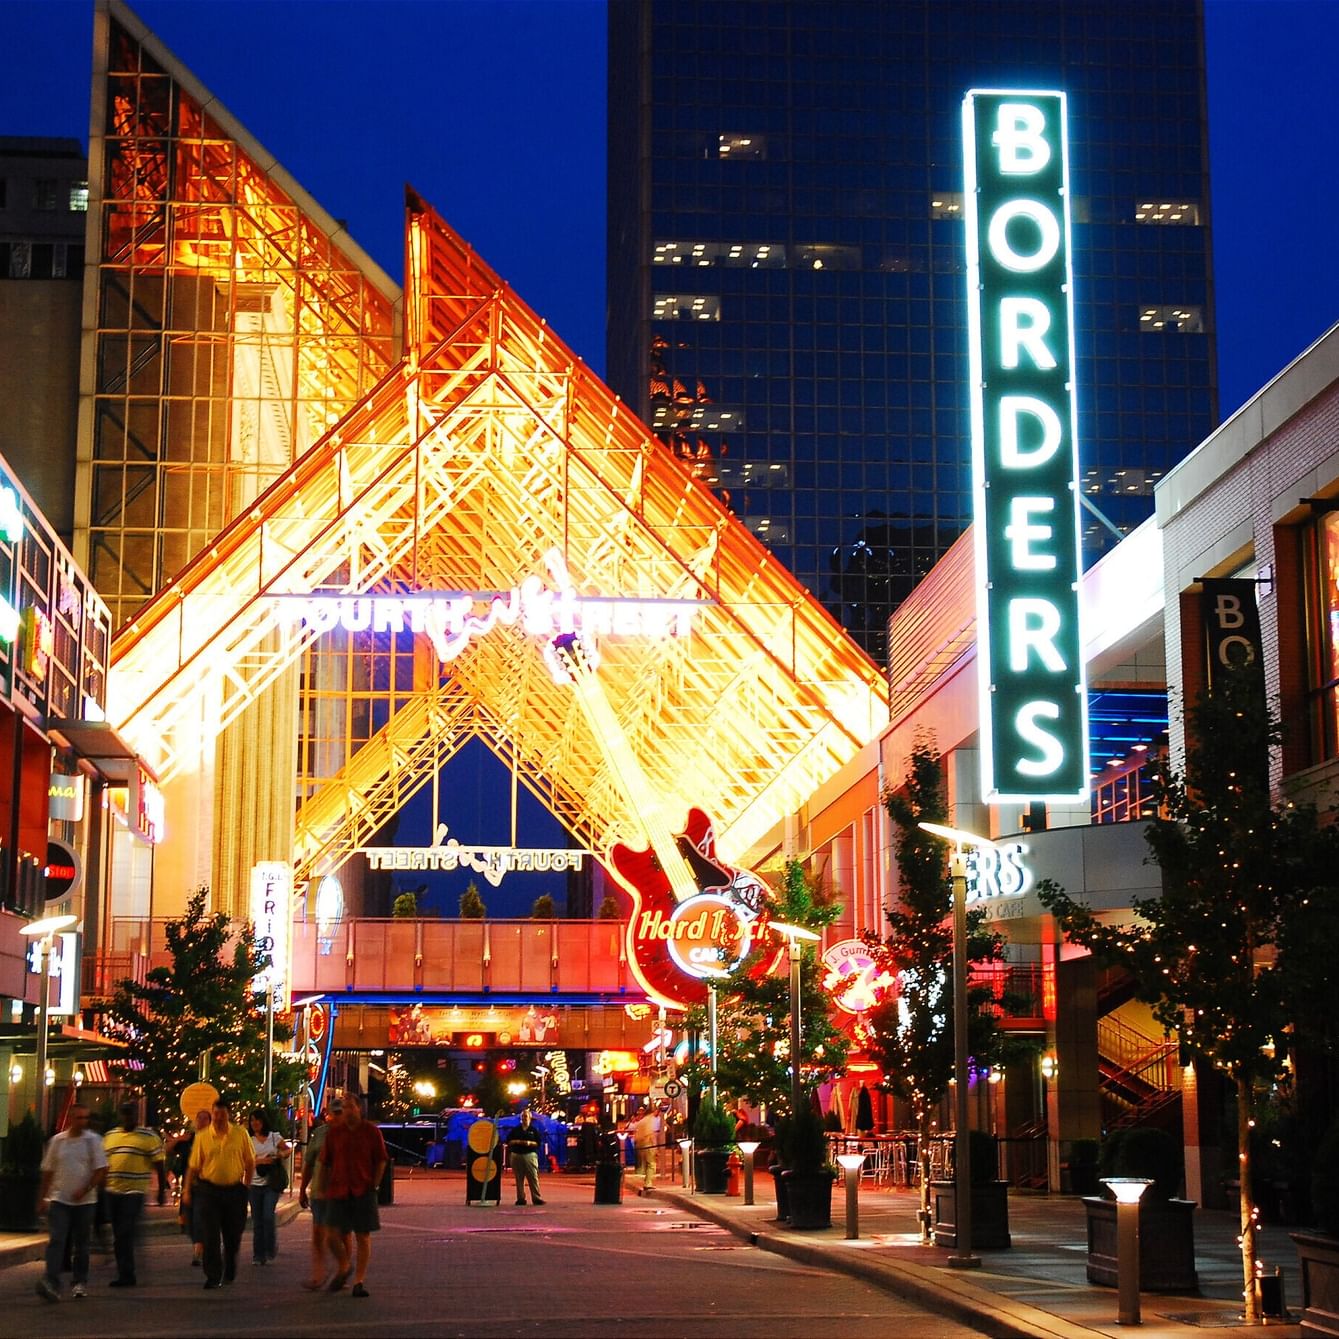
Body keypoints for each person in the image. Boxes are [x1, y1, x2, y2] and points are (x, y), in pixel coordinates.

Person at [35, 1102, 108, 1302]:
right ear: (71, 1118)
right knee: (57, 1239)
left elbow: (100, 1169)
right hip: (60, 1199)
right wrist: (42, 1197)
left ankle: (79, 1281)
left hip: (85, 1202)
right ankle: (51, 1281)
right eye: (79, 1118)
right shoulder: (58, 1141)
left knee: (82, 1243)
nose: (83, 1122)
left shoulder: (93, 1141)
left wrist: (85, 1189)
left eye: (86, 1118)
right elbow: (48, 1171)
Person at [184, 1097, 255, 1290]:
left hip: (234, 1191)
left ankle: (230, 1265)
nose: (218, 1118)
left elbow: (249, 1161)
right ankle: (213, 1275)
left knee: (233, 1236)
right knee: (210, 1235)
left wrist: (246, 1186)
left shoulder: (240, 1134)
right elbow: (193, 1166)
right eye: (215, 1114)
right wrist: (187, 1190)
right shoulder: (203, 1136)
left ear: (228, 1115)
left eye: (222, 1115)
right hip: (209, 1190)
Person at [320, 1093, 386, 1298]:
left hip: (362, 1189)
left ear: (359, 1108)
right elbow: (325, 1162)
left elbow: (381, 1159)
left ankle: (359, 1280)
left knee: (362, 1236)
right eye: (344, 1108)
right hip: (338, 1188)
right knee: (331, 1235)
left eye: (350, 1107)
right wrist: (322, 1188)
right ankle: (344, 1264)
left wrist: (374, 1184)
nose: (347, 1111)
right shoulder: (334, 1134)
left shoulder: (371, 1132)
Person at [102, 1100, 167, 1288]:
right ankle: (124, 1270)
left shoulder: (148, 1137)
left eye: (131, 1113)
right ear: (120, 1115)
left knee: (125, 1231)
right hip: (113, 1190)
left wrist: (161, 1191)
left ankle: (127, 1273)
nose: (127, 1117)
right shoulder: (110, 1136)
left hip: (135, 1191)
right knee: (119, 1233)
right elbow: (102, 1163)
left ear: (136, 1115)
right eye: (124, 1113)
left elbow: (159, 1165)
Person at [298, 1097, 344, 1291]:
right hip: (319, 1190)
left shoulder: (350, 1134)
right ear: (328, 1115)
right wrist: (302, 1189)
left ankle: (344, 1270)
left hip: (341, 1191)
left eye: (341, 1113)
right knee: (318, 1234)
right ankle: (319, 1275)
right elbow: (309, 1163)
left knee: (341, 1234)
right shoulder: (319, 1134)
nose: (338, 1117)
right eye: (335, 1113)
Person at [247, 1108, 290, 1266]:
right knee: (257, 1220)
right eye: (252, 1121)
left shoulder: (273, 1137)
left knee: (267, 1216)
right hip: (254, 1183)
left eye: (257, 1120)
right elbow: (244, 1160)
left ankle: (270, 1248)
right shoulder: (249, 1139)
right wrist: (259, 1161)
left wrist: (279, 1155)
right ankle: (258, 1254)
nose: (255, 1123)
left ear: (263, 1121)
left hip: (271, 1183)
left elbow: (287, 1150)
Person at [170, 1109, 211, 1267]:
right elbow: (168, 1150)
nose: (201, 1121)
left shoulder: (212, 1139)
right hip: (189, 1185)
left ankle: (198, 1251)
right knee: (187, 1220)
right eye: (199, 1118)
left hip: (205, 1185)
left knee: (199, 1219)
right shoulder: (189, 1139)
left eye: (204, 1118)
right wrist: (179, 1138)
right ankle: (202, 1244)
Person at [507, 1108, 545, 1206]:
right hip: (517, 1155)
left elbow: (538, 1143)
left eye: (526, 1116)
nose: (524, 1118)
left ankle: (536, 1198)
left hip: (529, 1155)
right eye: (523, 1116)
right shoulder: (515, 1130)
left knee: (533, 1177)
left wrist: (529, 1143)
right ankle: (520, 1198)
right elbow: (508, 1141)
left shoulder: (533, 1130)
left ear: (530, 1118)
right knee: (519, 1178)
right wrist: (517, 1142)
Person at [633, 1104, 659, 1194]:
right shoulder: (649, 1121)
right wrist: (655, 1147)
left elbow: (636, 1136)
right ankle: (648, 1183)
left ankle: (646, 1181)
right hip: (648, 1144)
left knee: (646, 1164)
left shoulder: (641, 1122)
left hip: (640, 1145)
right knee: (651, 1164)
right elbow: (650, 1134)